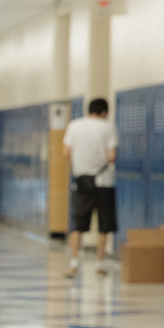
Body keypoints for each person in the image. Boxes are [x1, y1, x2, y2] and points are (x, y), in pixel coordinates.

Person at [62, 98, 118, 278]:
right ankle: (100, 264)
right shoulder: (107, 127)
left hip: (82, 180)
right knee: (104, 224)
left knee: (78, 223)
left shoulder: (74, 126)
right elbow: (112, 156)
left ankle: (74, 263)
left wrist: (80, 164)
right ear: (104, 112)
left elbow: (66, 152)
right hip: (103, 182)